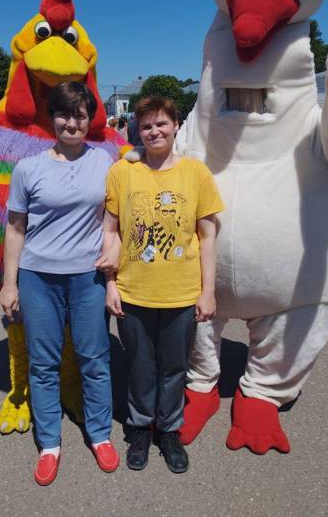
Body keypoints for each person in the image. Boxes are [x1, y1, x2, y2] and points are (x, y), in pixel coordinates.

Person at [0, 81, 120, 486]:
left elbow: (114, 220)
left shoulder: (106, 163)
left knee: (95, 359)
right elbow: (15, 229)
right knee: (44, 362)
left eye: (80, 115)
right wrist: (9, 284)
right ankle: (49, 443)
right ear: (52, 119)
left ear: (89, 119)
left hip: (88, 278)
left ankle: (100, 434)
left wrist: (114, 260)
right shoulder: (28, 168)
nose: (72, 122)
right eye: (64, 114)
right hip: (38, 278)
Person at [103, 96, 224, 473]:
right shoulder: (122, 173)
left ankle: (168, 429)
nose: (154, 131)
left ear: (175, 126)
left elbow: (207, 237)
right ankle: (140, 427)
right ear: (137, 131)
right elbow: (111, 230)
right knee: (140, 364)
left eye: (161, 124)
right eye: (147, 126)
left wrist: (208, 292)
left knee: (174, 366)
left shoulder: (196, 173)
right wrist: (110, 283)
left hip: (181, 292)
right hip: (134, 290)